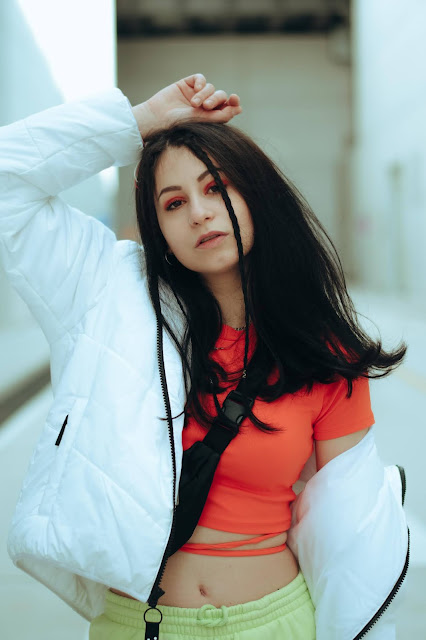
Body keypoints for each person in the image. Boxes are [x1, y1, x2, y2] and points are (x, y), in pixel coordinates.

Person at [2, 74, 409, 640]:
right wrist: (142, 120)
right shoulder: (107, 294)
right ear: (159, 229)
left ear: (256, 195)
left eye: (216, 188)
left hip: (275, 623)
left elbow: (355, 538)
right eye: (174, 203)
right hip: (139, 625)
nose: (198, 212)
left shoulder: (322, 350)